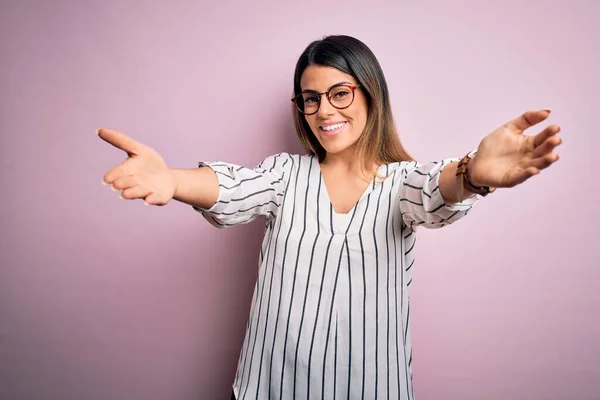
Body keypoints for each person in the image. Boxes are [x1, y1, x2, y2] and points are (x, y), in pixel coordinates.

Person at [98, 35, 562, 400]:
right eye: (311, 98)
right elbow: (233, 187)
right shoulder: (285, 174)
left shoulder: (399, 182)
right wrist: (173, 180)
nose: (325, 111)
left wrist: (472, 175)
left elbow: (433, 189)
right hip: (270, 387)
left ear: (370, 93)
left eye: (340, 93)